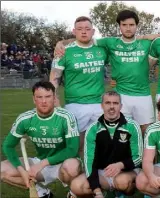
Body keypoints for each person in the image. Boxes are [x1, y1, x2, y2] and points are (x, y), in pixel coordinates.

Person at [54, 10, 160, 134]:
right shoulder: (110, 42)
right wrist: (60, 43)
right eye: (124, 25)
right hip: (121, 96)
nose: (128, 28)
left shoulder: (146, 43)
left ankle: (144, 154)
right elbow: (84, 38)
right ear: (119, 26)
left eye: (131, 25)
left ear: (136, 26)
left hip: (143, 95)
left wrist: (147, 36)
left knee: (147, 132)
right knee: (121, 133)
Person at [0, 81, 80, 198]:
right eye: (39, 97)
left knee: (72, 167)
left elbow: (72, 149)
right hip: (39, 162)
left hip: (64, 163)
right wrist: (21, 170)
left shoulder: (66, 117)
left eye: (48, 97)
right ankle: (42, 192)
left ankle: (73, 192)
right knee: (2, 170)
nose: (44, 101)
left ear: (54, 98)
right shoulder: (25, 119)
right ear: (34, 99)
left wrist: (42, 164)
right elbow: (8, 146)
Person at [49, 16, 107, 156]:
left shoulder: (102, 49)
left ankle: (99, 175)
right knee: (77, 145)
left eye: (87, 29)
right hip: (75, 104)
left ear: (93, 31)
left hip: (99, 104)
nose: (84, 32)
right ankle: (79, 174)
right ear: (74, 31)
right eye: (80, 29)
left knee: (102, 144)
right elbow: (54, 79)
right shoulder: (64, 52)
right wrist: (55, 102)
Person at [69, 91, 142, 197]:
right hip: (103, 172)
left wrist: (120, 165)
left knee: (122, 181)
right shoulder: (93, 129)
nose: (111, 107)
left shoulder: (132, 126)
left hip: (127, 171)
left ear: (121, 106)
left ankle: (122, 193)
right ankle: (104, 192)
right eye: (108, 103)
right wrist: (96, 190)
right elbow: (89, 161)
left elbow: (139, 157)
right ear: (102, 105)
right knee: (76, 185)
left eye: (115, 103)